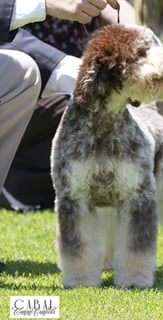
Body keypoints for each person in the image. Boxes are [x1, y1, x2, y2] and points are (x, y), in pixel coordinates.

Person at [0, 0, 119, 271]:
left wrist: (78, 71)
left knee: (21, 72)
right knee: (76, 111)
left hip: (52, 80)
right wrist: (44, 4)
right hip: (48, 104)